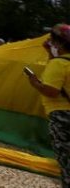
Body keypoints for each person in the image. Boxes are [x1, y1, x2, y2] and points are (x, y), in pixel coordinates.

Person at [25, 23, 70, 186]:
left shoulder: (58, 64)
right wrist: (50, 53)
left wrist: (35, 83)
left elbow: (51, 91)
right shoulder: (62, 62)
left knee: (65, 158)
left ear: (59, 43)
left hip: (62, 115)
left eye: (52, 40)